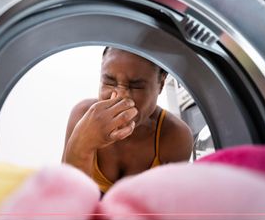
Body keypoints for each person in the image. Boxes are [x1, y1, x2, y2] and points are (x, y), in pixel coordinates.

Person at [62, 47, 193, 193]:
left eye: (136, 86)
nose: (120, 97)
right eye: (109, 82)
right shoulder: (82, 115)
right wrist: (82, 145)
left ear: (161, 84)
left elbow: (166, 209)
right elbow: (66, 199)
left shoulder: (175, 136)